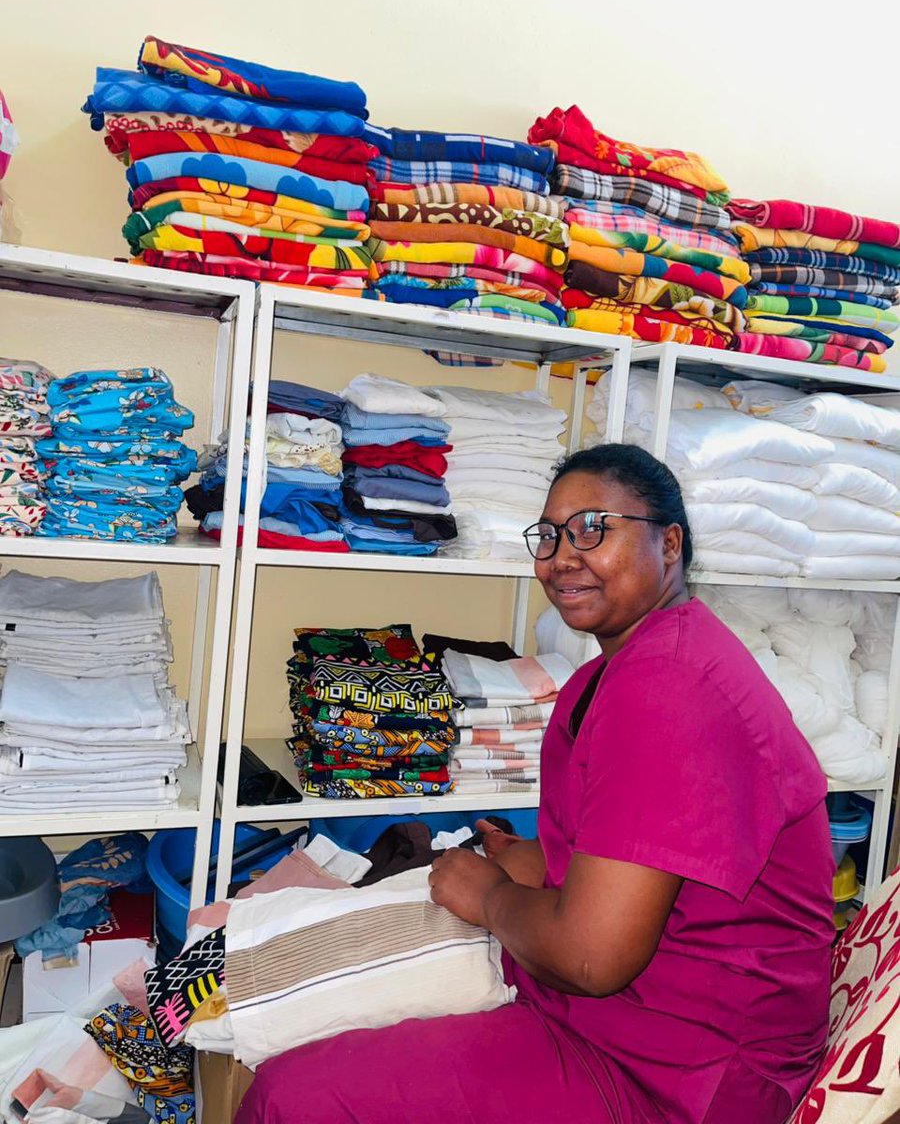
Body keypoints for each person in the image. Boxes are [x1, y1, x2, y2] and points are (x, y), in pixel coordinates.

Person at [237, 443, 834, 1124]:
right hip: (641, 1015)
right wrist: (532, 866)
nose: (561, 556)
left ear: (669, 544)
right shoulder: (629, 666)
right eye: (549, 534)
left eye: (593, 529)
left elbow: (590, 959)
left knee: (294, 1098)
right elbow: (631, 857)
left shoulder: (669, 686)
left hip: (682, 1072)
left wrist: (489, 896)